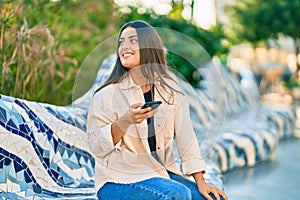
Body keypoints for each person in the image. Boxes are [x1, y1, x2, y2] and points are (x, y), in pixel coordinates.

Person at [87, 20, 228, 200]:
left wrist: (200, 181)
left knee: (215, 199)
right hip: (117, 180)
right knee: (177, 194)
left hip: (159, 172)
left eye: (132, 41)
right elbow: (96, 147)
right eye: (121, 42)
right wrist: (125, 121)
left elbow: (187, 138)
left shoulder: (170, 90)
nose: (124, 47)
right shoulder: (106, 95)